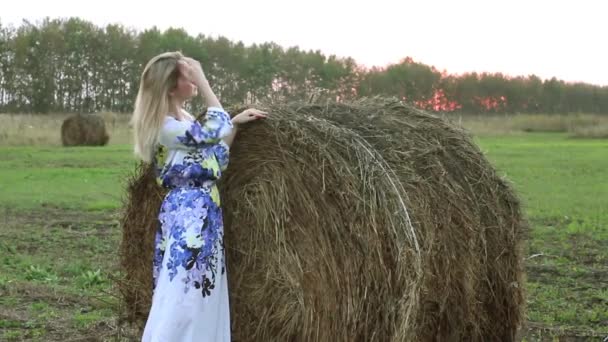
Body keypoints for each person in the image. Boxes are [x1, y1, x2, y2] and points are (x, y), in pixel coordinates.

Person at [130, 51, 267, 341]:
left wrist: (235, 125)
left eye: (193, 74)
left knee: (203, 294)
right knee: (182, 297)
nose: (192, 78)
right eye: (186, 74)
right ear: (169, 86)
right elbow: (215, 128)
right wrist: (204, 82)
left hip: (205, 214)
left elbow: (214, 156)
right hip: (188, 217)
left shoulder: (185, 120)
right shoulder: (166, 127)